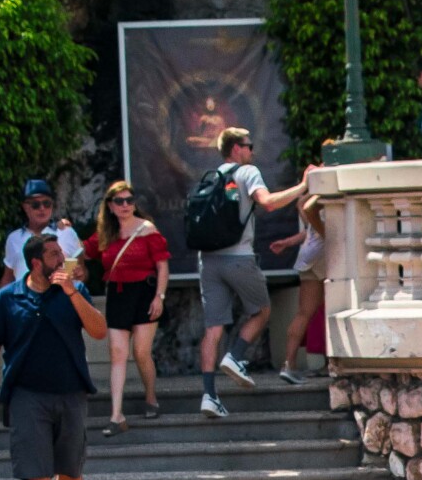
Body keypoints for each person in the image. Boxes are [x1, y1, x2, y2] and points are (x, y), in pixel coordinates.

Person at [0, 232, 107, 480]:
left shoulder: (75, 291)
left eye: (60, 253)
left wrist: (72, 293)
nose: (61, 260)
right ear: (36, 263)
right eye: (53, 255)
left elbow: (99, 330)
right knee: (35, 471)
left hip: (70, 390)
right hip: (26, 395)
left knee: (71, 469)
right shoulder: (7, 299)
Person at [196, 125, 307, 420]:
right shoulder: (247, 172)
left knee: (212, 329)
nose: (252, 151)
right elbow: (268, 203)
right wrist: (303, 186)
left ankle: (209, 395)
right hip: (239, 257)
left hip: (208, 260)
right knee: (261, 311)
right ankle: (235, 356)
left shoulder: (211, 178)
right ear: (237, 148)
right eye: (249, 145)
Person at [90, 179, 169, 432]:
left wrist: (160, 296)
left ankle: (151, 396)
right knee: (117, 353)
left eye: (129, 200)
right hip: (117, 293)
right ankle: (116, 416)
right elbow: (82, 249)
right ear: (110, 206)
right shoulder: (105, 233)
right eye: (119, 201)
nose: (125, 205)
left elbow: (162, 266)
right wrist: (64, 229)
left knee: (141, 352)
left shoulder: (147, 229)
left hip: (144, 292)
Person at [269, 191, 327, 387]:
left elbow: (303, 209)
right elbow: (309, 211)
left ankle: (290, 364)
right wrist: (328, 235)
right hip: (325, 257)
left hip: (308, 256)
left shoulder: (318, 199)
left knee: (305, 313)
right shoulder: (328, 196)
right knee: (331, 311)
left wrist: (287, 242)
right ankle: (332, 364)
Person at [0, 178, 83, 290]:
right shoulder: (14, 238)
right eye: (35, 205)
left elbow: (82, 272)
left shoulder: (66, 233)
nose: (42, 208)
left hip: (60, 302)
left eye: (47, 203)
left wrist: (80, 274)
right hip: (25, 303)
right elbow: (8, 277)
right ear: (25, 207)